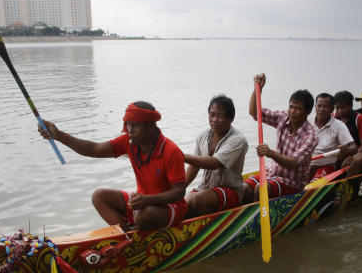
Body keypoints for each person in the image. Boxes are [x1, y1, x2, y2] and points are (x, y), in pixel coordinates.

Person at [38, 101, 187, 231]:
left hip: (170, 207)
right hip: (142, 202)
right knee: (99, 196)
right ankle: (126, 237)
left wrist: (147, 200)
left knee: (143, 216)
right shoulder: (129, 142)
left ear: (151, 127)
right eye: (128, 124)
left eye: (135, 125)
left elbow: (179, 192)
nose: (129, 130)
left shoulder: (170, 151)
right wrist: (59, 136)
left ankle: (137, 232)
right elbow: (93, 149)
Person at [244, 73, 318, 202]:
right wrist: (258, 90)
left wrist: (271, 153)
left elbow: (294, 162)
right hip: (272, 173)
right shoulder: (283, 118)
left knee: (261, 188)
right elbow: (254, 112)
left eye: (297, 109)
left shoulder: (310, 136)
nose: (292, 111)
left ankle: (258, 217)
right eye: (291, 107)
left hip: (292, 183)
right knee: (243, 188)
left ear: (308, 112)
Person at [183, 95, 249, 217]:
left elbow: (214, 163)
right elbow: (194, 165)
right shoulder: (202, 136)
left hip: (231, 191)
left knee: (199, 200)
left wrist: (181, 156)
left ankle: (218, 227)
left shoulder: (238, 140)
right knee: (182, 206)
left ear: (231, 119)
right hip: (205, 188)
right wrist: (181, 188)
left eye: (220, 116)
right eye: (212, 115)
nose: (214, 119)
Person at [309, 93, 356, 179]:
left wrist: (346, 150)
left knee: (312, 187)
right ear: (315, 107)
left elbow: (353, 147)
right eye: (319, 106)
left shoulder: (339, 125)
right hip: (307, 165)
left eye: (325, 106)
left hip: (326, 166)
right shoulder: (307, 123)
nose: (321, 109)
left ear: (332, 109)